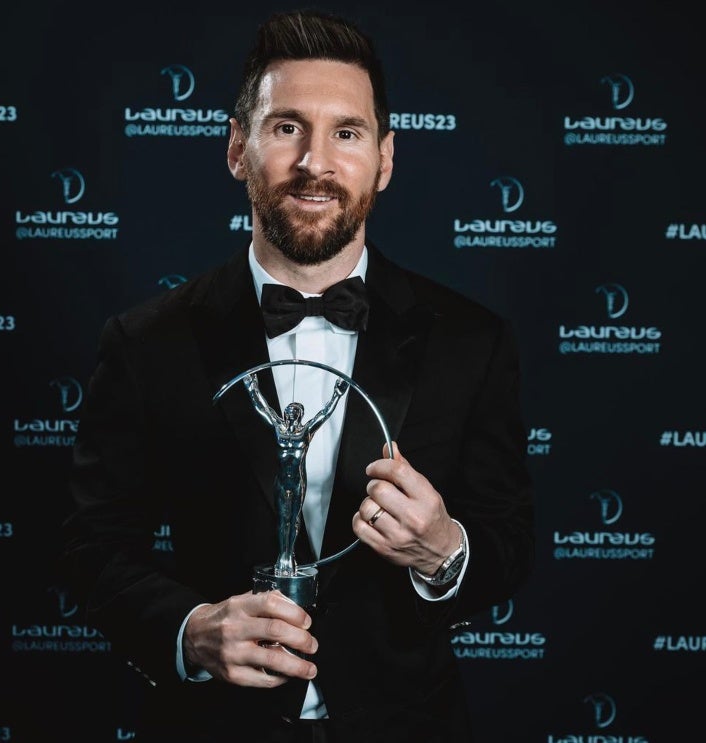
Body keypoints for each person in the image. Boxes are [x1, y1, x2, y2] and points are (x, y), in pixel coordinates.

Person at [59, 8, 534, 743]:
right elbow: (92, 546)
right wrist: (188, 630)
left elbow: (509, 541)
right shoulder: (145, 342)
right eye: (287, 127)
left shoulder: (472, 341)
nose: (316, 162)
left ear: (385, 159)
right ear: (237, 149)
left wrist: (445, 552)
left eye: (347, 132)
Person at [244, 372, 349, 577]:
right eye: (288, 410)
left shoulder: (305, 432)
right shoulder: (279, 428)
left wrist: (337, 394)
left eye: (294, 410)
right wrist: (252, 388)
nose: (290, 412)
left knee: (293, 519)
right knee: (282, 519)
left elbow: (324, 414)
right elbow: (263, 408)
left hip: (297, 481)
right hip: (281, 481)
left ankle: (288, 555)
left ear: (300, 414)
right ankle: (282, 555)